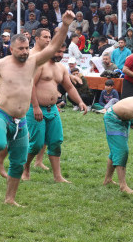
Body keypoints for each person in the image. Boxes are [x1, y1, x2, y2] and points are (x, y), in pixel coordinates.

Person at [0, 12, 74, 207]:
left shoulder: (33, 62)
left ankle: (10, 199)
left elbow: (55, 46)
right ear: (11, 49)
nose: (24, 52)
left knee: (18, 163)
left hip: (21, 121)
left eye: (26, 48)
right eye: (20, 48)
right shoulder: (0, 65)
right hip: (1, 114)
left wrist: (64, 25)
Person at [22, 42, 89, 183]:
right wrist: (35, 106)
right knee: (36, 144)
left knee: (56, 141)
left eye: (62, 52)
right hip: (36, 108)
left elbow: (69, 87)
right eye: (57, 51)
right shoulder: (40, 65)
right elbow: (30, 85)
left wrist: (80, 102)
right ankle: (25, 167)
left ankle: (57, 176)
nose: (59, 54)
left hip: (52, 109)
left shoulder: (61, 68)